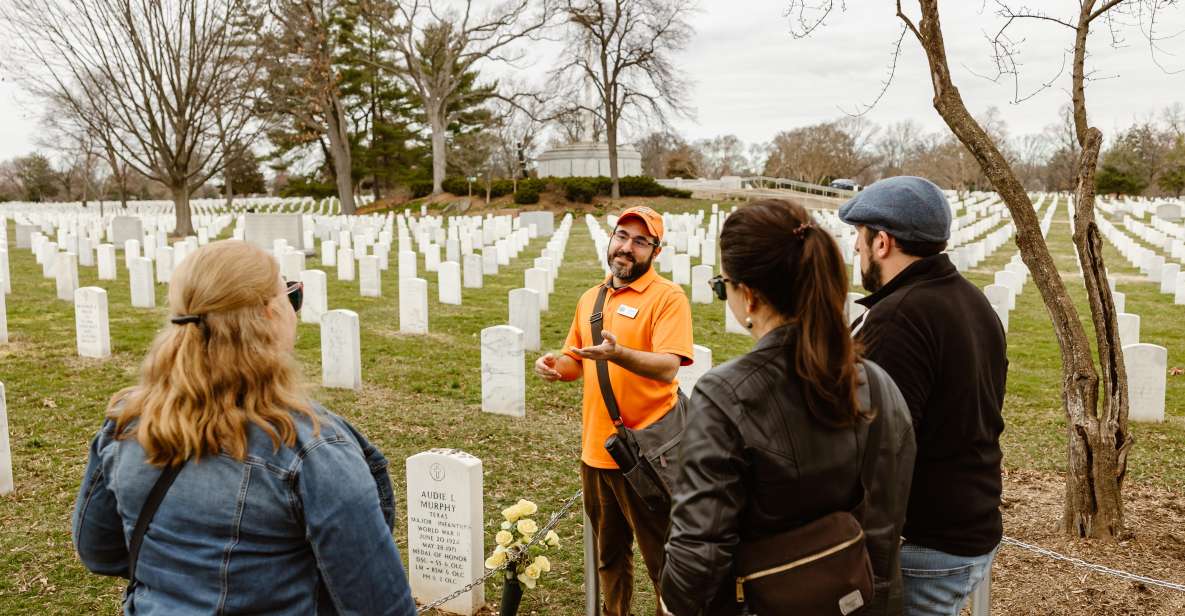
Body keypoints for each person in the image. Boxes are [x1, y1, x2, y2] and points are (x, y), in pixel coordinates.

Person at [72, 240, 416, 615]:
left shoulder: (127, 421)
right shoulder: (313, 449)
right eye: (292, 297)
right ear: (270, 315)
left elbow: (99, 550)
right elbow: (378, 604)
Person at [660, 199, 916, 616]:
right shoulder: (878, 383)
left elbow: (698, 560)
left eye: (722, 285)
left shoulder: (723, 397)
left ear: (751, 297)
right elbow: (886, 524)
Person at [839, 176, 1007, 616]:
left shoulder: (898, 318)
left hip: (926, 542)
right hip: (973, 521)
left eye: (858, 236)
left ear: (882, 242)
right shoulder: (972, 301)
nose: (855, 248)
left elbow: (879, 447)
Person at [534, 205, 694, 616]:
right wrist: (556, 365)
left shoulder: (667, 298)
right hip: (597, 452)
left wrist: (619, 353)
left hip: (649, 454)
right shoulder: (592, 298)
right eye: (622, 236)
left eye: (640, 241)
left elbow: (668, 366)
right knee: (610, 559)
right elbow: (577, 359)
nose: (627, 247)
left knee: (663, 560)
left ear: (655, 251)